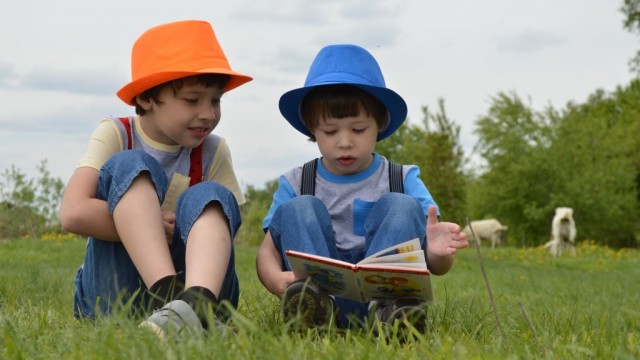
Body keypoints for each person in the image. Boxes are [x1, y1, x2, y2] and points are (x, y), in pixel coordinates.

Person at [59, 20, 252, 337]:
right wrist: (147, 226)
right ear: (147, 98)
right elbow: (73, 212)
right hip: (117, 295)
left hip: (200, 286)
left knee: (211, 195)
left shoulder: (214, 150)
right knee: (130, 164)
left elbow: (224, 226)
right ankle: (173, 303)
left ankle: (196, 305)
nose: (208, 113)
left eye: (215, 100)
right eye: (193, 100)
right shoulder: (117, 133)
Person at [256, 44, 469, 331]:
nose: (345, 142)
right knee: (298, 208)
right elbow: (267, 251)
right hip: (321, 293)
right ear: (312, 128)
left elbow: (436, 265)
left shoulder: (402, 178)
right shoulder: (296, 182)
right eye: (330, 132)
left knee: (402, 205)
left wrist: (438, 254)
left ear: (379, 123)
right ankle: (313, 313)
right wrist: (274, 279)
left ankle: (392, 316)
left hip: (385, 295)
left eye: (358, 130)